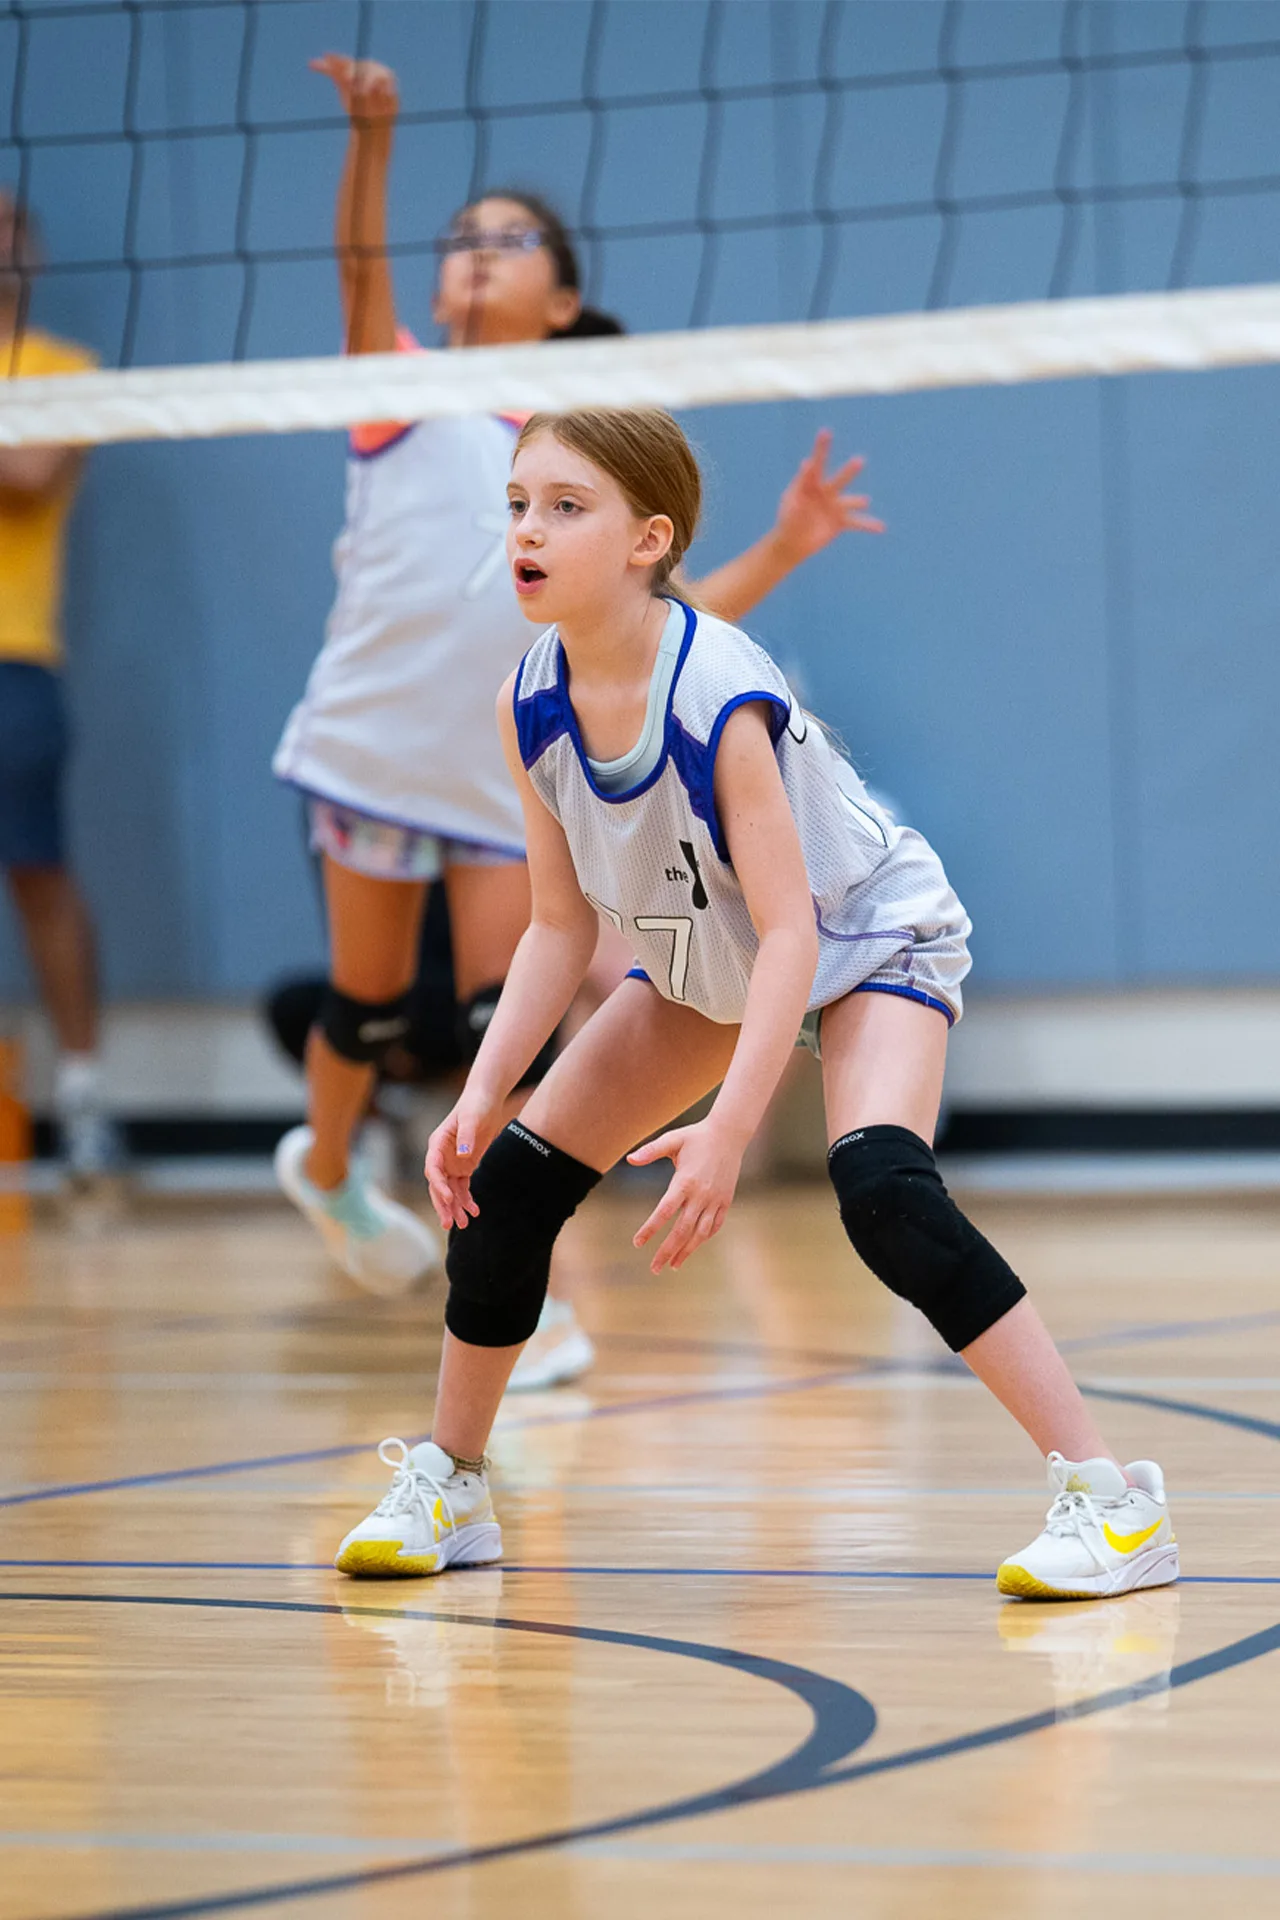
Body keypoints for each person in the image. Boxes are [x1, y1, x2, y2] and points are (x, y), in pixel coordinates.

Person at [333, 407, 1179, 1603]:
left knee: (882, 1190)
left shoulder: (718, 689)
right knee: (509, 1186)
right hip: (707, 958)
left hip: (862, 933)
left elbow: (794, 931)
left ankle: (1113, 1500)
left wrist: (727, 1134)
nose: (527, 529)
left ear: (647, 539)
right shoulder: (526, 697)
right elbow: (557, 926)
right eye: (517, 503)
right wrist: (480, 1091)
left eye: (565, 507)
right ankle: (453, 1485)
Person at [271, 54, 884, 1309]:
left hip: (503, 768)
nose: (479, 254)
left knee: (506, 1009)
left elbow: (660, 633)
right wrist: (374, 138)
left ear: (564, 304)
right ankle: (327, 1167)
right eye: (462, 241)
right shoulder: (402, 391)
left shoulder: (584, 467)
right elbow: (352, 272)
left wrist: (782, 543)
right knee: (368, 1010)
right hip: (372, 750)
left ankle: (502, 1271)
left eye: (512, 241)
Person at [0, 190, 118, 1181]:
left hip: (15, 655)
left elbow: (28, 473)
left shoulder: (62, 369)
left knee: (39, 871)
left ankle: (83, 1096)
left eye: (9, 228)